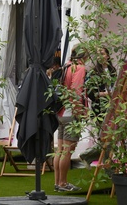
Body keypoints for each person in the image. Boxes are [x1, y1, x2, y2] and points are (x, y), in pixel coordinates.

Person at [54, 48, 87, 192]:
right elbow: (76, 90)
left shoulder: (66, 66)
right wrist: (79, 112)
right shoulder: (79, 68)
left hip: (61, 112)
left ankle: (58, 182)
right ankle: (63, 183)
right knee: (67, 151)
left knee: (60, 150)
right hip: (70, 113)